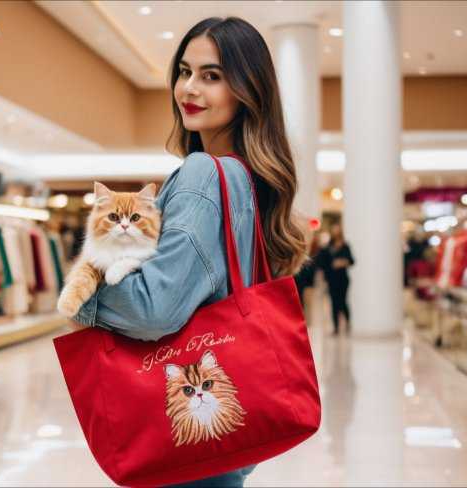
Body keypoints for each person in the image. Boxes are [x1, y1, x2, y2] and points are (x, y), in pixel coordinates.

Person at [66, 17, 306, 487]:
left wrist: (82, 292)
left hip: (183, 439)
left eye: (212, 76)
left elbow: (154, 310)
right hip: (218, 434)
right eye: (184, 71)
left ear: (247, 89)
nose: (189, 88)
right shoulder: (247, 176)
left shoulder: (202, 173)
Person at [318, 223, 355, 335]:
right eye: (334, 230)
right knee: (334, 302)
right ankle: (336, 327)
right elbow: (321, 263)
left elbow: (352, 261)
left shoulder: (345, 246)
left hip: (343, 279)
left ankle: (348, 323)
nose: (335, 232)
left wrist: (342, 262)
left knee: (343, 301)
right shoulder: (327, 247)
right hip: (331, 279)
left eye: (337, 230)